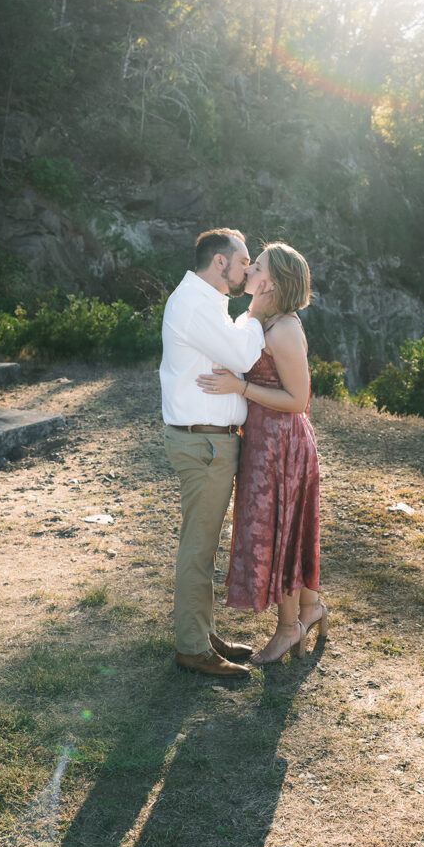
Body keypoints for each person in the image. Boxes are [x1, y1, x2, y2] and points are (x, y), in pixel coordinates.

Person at [196, 242, 327, 664]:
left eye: (257, 265)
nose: (249, 268)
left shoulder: (285, 328)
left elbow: (298, 399)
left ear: (270, 281)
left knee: (282, 532)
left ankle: (290, 627)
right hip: (264, 441)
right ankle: (311, 610)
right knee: (288, 530)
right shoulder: (258, 319)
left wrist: (241, 389)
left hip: (283, 444)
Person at [160, 228, 274, 678]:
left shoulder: (206, 303)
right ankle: (191, 647)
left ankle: (203, 632)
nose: (249, 268)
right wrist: (255, 311)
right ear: (220, 262)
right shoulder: (194, 304)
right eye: (244, 260)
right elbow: (244, 357)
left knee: (204, 544)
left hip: (211, 441)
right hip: (203, 443)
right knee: (199, 547)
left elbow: (234, 356)